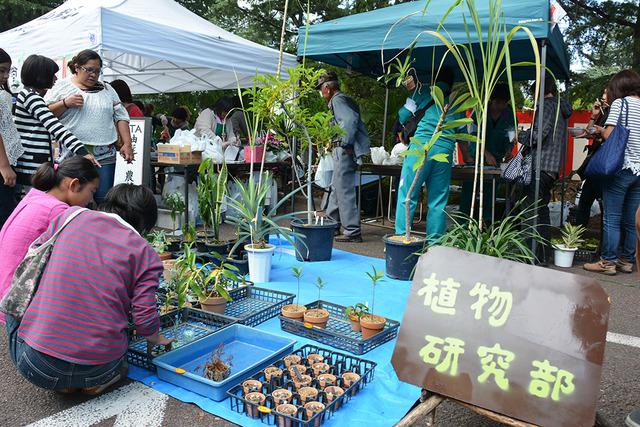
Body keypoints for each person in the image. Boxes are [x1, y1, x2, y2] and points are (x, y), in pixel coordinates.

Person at [5, 184, 173, 395]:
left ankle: (63, 382)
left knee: (13, 302)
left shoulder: (70, 217)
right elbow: (144, 317)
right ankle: (92, 383)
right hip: (99, 369)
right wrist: (156, 339)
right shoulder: (145, 254)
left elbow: (36, 253)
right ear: (147, 224)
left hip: (36, 366)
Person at [0, 156, 99, 323]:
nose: (90, 200)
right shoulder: (58, 210)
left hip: (6, 287)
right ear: (74, 185)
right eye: (91, 191)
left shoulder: (36, 196)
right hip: (18, 298)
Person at [44, 49, 133, 204]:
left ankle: (98, 227)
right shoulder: (62, 87)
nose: (93, 75)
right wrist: (65, 103)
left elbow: (121, 116)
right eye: (89, 70)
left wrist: (127, 143)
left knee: (103, 198)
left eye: (97, 71)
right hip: (73, 154)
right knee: (71, 198)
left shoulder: (107, 89)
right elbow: (44, 114)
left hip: (105, 153)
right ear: (77, 67)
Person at [394, 68, 464, 243]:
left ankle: (403, 239)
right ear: (452, 83)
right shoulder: (456, 102)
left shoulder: (422, 92)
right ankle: (435, 245)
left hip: (420, 148)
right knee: (438, 200)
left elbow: (402, 115)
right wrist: (469, 159)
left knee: (407, 195)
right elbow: (463, 137)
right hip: (444, 152)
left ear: (434, 79)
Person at [584, 70, 640, 275]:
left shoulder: (621, 104)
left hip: (621, 168)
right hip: (638, 172)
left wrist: (600, 130)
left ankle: (608, 262)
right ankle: (627, 260)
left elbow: (609, 135)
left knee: (612, 217)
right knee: (630, 219)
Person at [14, 54, 95, 187]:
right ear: (41, 76)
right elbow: (55, 127)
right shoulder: (31, 97)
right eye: (52, 74)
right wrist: (82, 151)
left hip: (31, 161)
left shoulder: (27, 94)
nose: (56, 78)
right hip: (32, 163)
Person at [518, 78, 573, 264]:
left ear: (538, 92)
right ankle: (542, 254)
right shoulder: (561, 108)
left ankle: (530, 255)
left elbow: (538, 136)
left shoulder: (547, 106)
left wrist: (519, 135)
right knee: (541, 211)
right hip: (552, 168)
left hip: (539, 165)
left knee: (531, 211)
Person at [318, 71, 371, 243]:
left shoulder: (337, 99)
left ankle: (352, 231)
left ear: (327, 88)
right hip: (341, 149)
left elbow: (349, 120)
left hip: (344, 149)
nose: (321, 93)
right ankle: (332, 225)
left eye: (321, 89)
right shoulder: (341, 99)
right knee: (336, 187)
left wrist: (346, 143)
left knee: (344, 189)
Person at [459, 83, 515, 222]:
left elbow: (512, 136)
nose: (501, 106)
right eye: (498, 102)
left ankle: (487, 225)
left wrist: (509, 150)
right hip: (475, 159)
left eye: (504, 103)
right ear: (491, 100)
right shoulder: (479, 111)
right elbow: (472, 135)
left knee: (490, 195)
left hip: (495, 161)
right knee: (469, 192)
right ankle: (463, 224)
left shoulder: (509, 114)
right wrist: (485, 153)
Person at [574, 89, 609, 227]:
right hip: (594, 165)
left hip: (605, 165)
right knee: (584, 203)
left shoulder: (616, 113)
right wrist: (594, 116)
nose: (603, 96)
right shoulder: (604, 113)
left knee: (605, 209)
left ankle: (604, 245)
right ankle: (578, 239)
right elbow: (590, 133)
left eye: (606, 93)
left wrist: (601, 133)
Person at [0, 49, 24, 228]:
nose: (6, 75)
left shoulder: (3, 93)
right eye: (1, 70)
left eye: (8, 70)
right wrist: (4, 165)